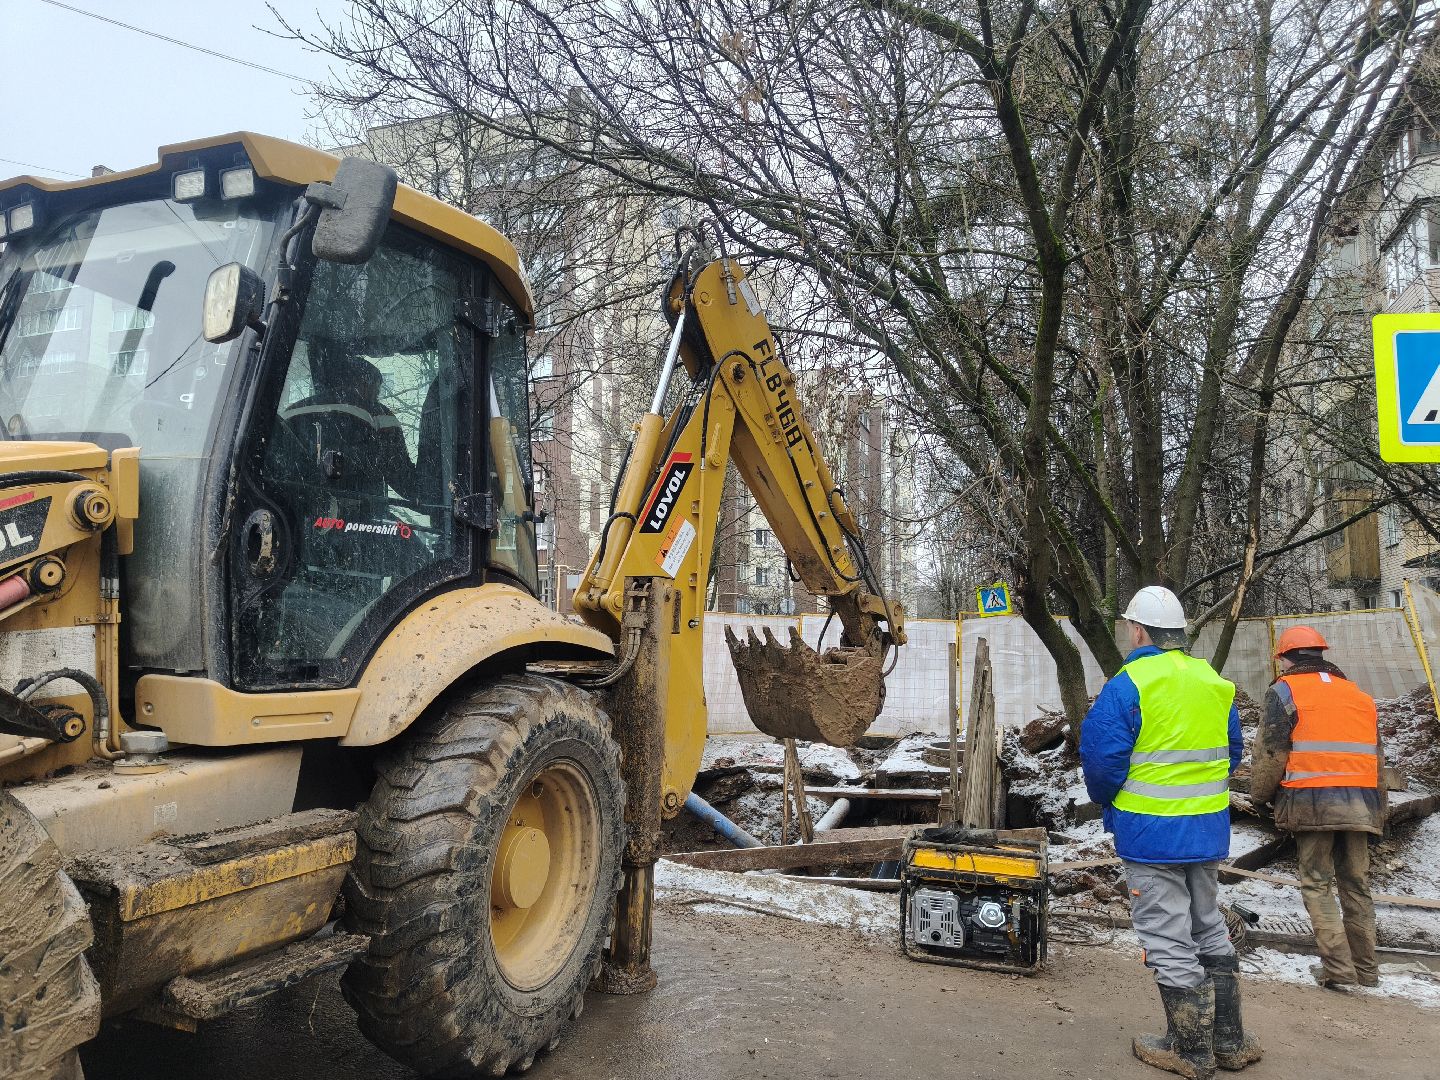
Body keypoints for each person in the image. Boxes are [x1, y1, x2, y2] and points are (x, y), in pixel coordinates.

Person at [1080, 586, 1260, 1080]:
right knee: (1207, 923)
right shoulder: (1212, 681)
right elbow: (1232, 751)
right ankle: (1229, 1041)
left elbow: (1100, 760)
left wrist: (1113, 802)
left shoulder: (1129, 684)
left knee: (1166, 935)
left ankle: (1190, 1049)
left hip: (1151, 834)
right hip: (1206, 830)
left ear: (1137, 631)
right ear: (1179, 633)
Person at [1250, 626, 1382, 992]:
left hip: (1312, 802)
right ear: (1320, 655)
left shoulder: (1283, 691)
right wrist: (1378, 809)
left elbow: (1272, 753)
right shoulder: (1359, 695)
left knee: (1318, 883)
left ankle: (1339, 971)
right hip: (1361, 802)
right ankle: (1367, 971)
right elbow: (1377, 759)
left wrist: (1258, 796)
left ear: (1284, 658)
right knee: (1357, 884)